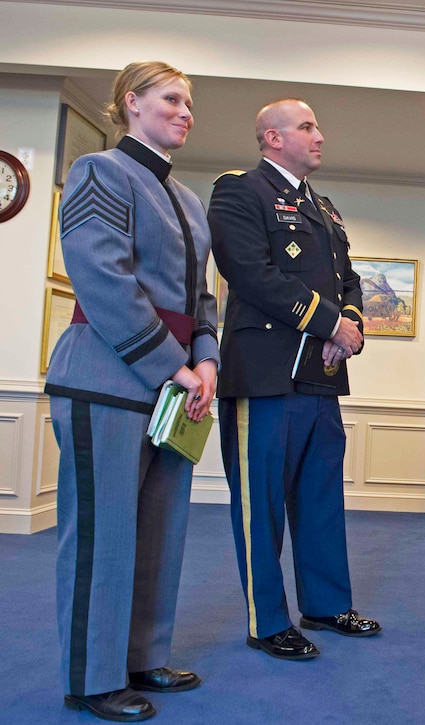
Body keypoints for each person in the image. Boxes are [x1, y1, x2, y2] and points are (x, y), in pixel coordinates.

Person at [45, 61, 218, 722]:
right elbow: (102, 278)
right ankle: (91, 678)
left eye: (189, 103)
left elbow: (204, 299)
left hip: (175, 386)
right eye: (172, 99)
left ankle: (142, 654)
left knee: (159, 531)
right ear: (132, 102)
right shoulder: (99, 172)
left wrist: (205, 363)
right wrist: (173, 364)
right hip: (106, 378)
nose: (186, 112)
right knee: (103, 535)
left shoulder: (190, 201)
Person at [208, 99, 380, 661]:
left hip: (321, 375)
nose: (320, 135)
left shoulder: (324, 209)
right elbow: (250, 273)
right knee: (262, 506)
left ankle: (327, 605)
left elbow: (348, 279)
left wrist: (349, 322)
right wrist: (329, 320)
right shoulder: (240, 190)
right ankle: (268, 621)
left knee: (322, 497)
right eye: (307, 127)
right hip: (263, 374)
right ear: (272, 137)